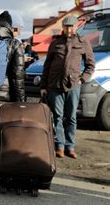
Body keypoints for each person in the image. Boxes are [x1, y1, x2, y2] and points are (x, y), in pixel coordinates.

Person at [40, 15, 95, 159]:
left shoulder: (83, 42)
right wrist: (43, 85)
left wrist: (82, 80)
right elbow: (47, 65)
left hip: (73, 86)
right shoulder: (56, 42)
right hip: (54, 85)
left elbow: (90, 65)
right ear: (63, 27)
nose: (68, 29)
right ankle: (60, 146)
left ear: (76, 26)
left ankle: (70, 146)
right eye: (66, 26)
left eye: (71, 26)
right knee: (57, 117)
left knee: (71, 117)